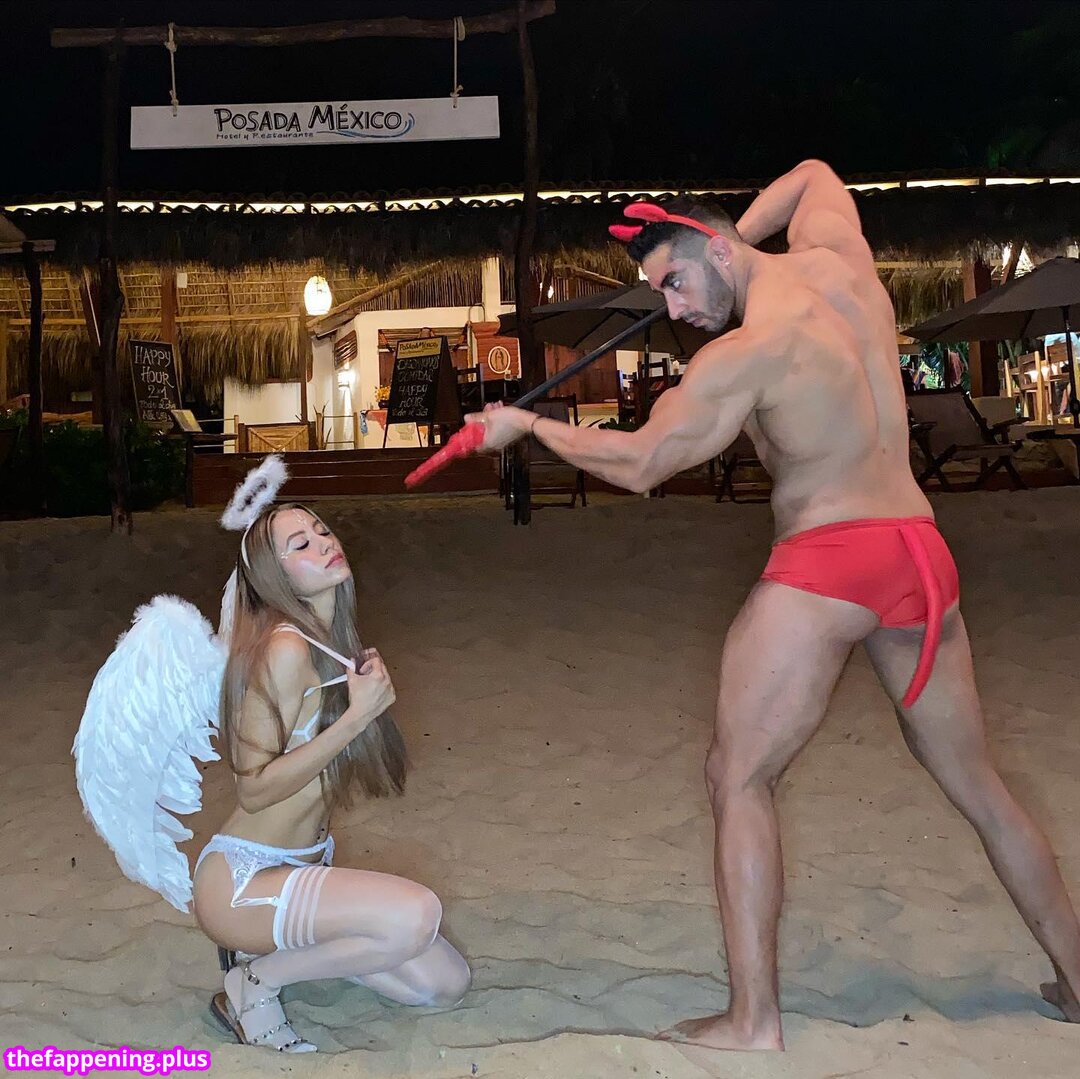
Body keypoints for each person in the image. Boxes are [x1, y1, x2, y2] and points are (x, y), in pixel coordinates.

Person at [467, 159, 1080, 1050]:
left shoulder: (748, 352)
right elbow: (814, 175)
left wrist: (526, 427)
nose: (672, 307)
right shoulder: (842, 262)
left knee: (738, 775)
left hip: (831, 560)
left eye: (675, 280)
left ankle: (753, 1019)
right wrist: (732, 240)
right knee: (980, 786)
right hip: (920, 554)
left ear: (715, 250)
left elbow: (642, 463)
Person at [193, 500, 470, 1052]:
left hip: (303, 867)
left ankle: (265, 958)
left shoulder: (330, 643)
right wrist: (356, 717)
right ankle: (255, 982)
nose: (324, 543)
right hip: (244, 881)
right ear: (273, 577)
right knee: (416, 914)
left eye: (322, 532)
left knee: (443, 985)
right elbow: (254, 787)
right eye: (301, 544)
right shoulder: (283, 649)